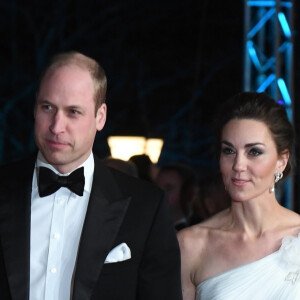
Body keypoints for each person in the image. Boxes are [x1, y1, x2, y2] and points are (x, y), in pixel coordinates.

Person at [0, 51, 182, 300]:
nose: (56, 126)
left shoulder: (146, 207)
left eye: (73, 112)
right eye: (48, 107)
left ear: (100, 117)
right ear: (34, 107)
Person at [178, 92, 300, 299]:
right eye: (229, 151)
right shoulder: (191, 245)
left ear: (282, 161)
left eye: (254, 152)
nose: (238, 165)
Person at [155, 162, 198, 231]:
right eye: (156, 188)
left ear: (188, 193)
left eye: (168, 188)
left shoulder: (197, 229)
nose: (159, 194)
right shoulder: (148, 225)